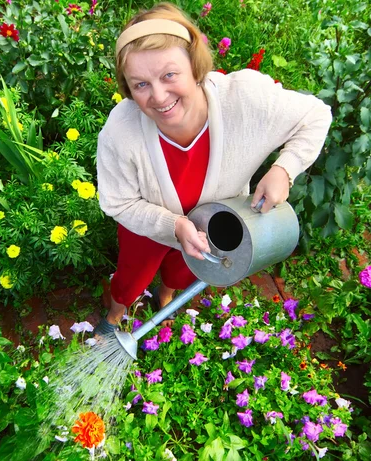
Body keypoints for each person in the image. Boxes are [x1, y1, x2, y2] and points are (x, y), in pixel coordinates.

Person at [94, 2, 332, 335]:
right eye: (141, 84)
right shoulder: (121, 131)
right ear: (128, 88)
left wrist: (284, 169)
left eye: (169, 75)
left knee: (183, 270)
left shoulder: (244, 99)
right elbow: (119, 202)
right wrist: (173, 225)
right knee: (132, 274)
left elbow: (315, 115)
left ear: (194, 64)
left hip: (211, 222)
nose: (159, 97)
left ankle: (165, 296)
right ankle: (116, 312)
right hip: (148, 221)